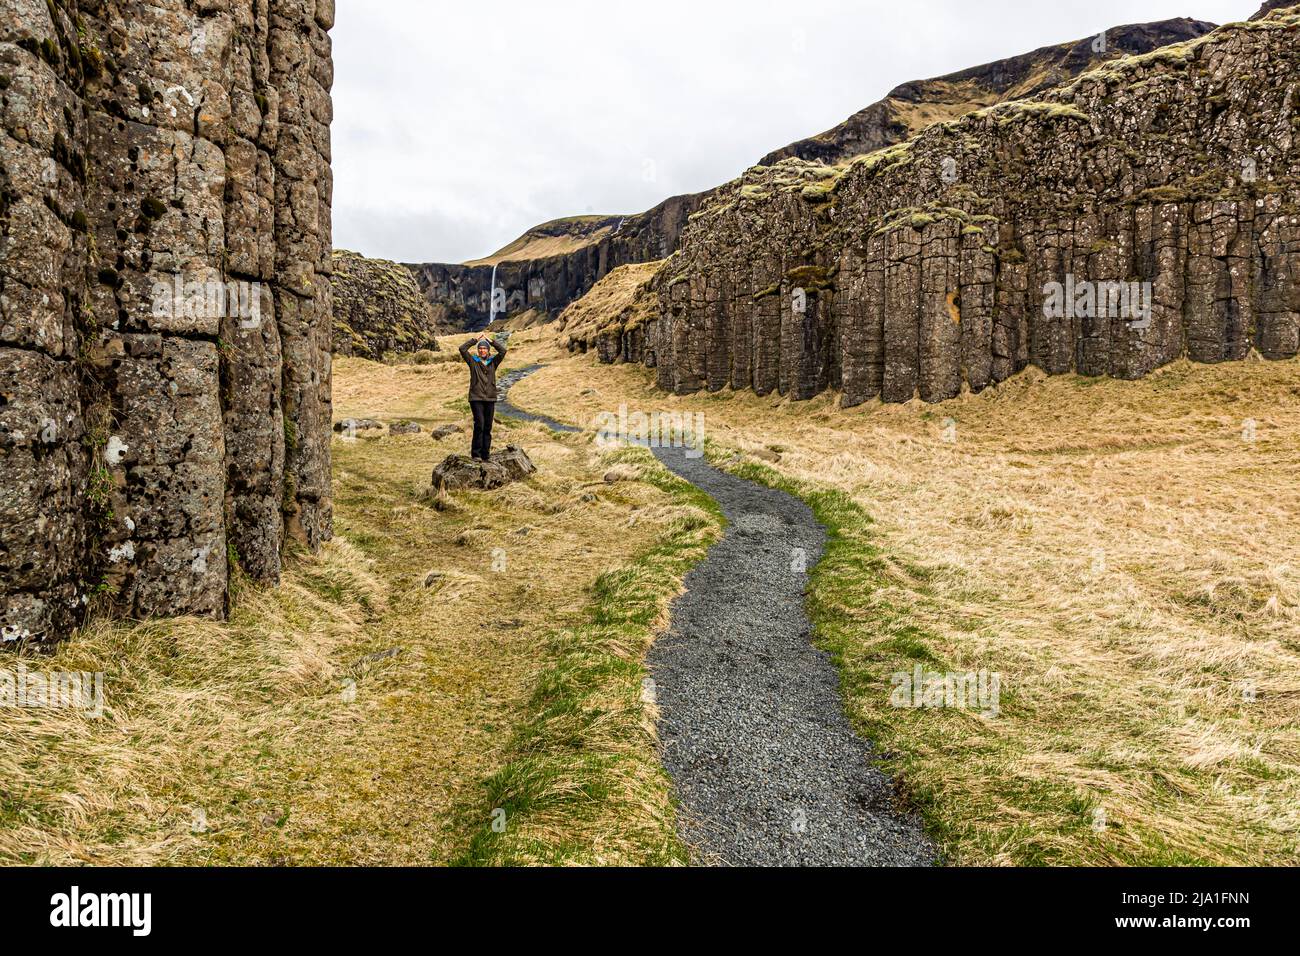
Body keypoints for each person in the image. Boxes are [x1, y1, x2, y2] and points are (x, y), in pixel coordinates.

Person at [459, 331, 507, 461]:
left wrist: (491, 341)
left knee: (488, 426)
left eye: (484, 348)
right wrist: (475, 340)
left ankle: (486, 455)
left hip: (490, 398)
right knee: (479, 424)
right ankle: (476, 454)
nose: (482, 350)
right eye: (480, 348)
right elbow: (462, 349)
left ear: (488, 350)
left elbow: (503, 351)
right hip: (476, 397)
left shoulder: (493, 362)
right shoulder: (473, 361)